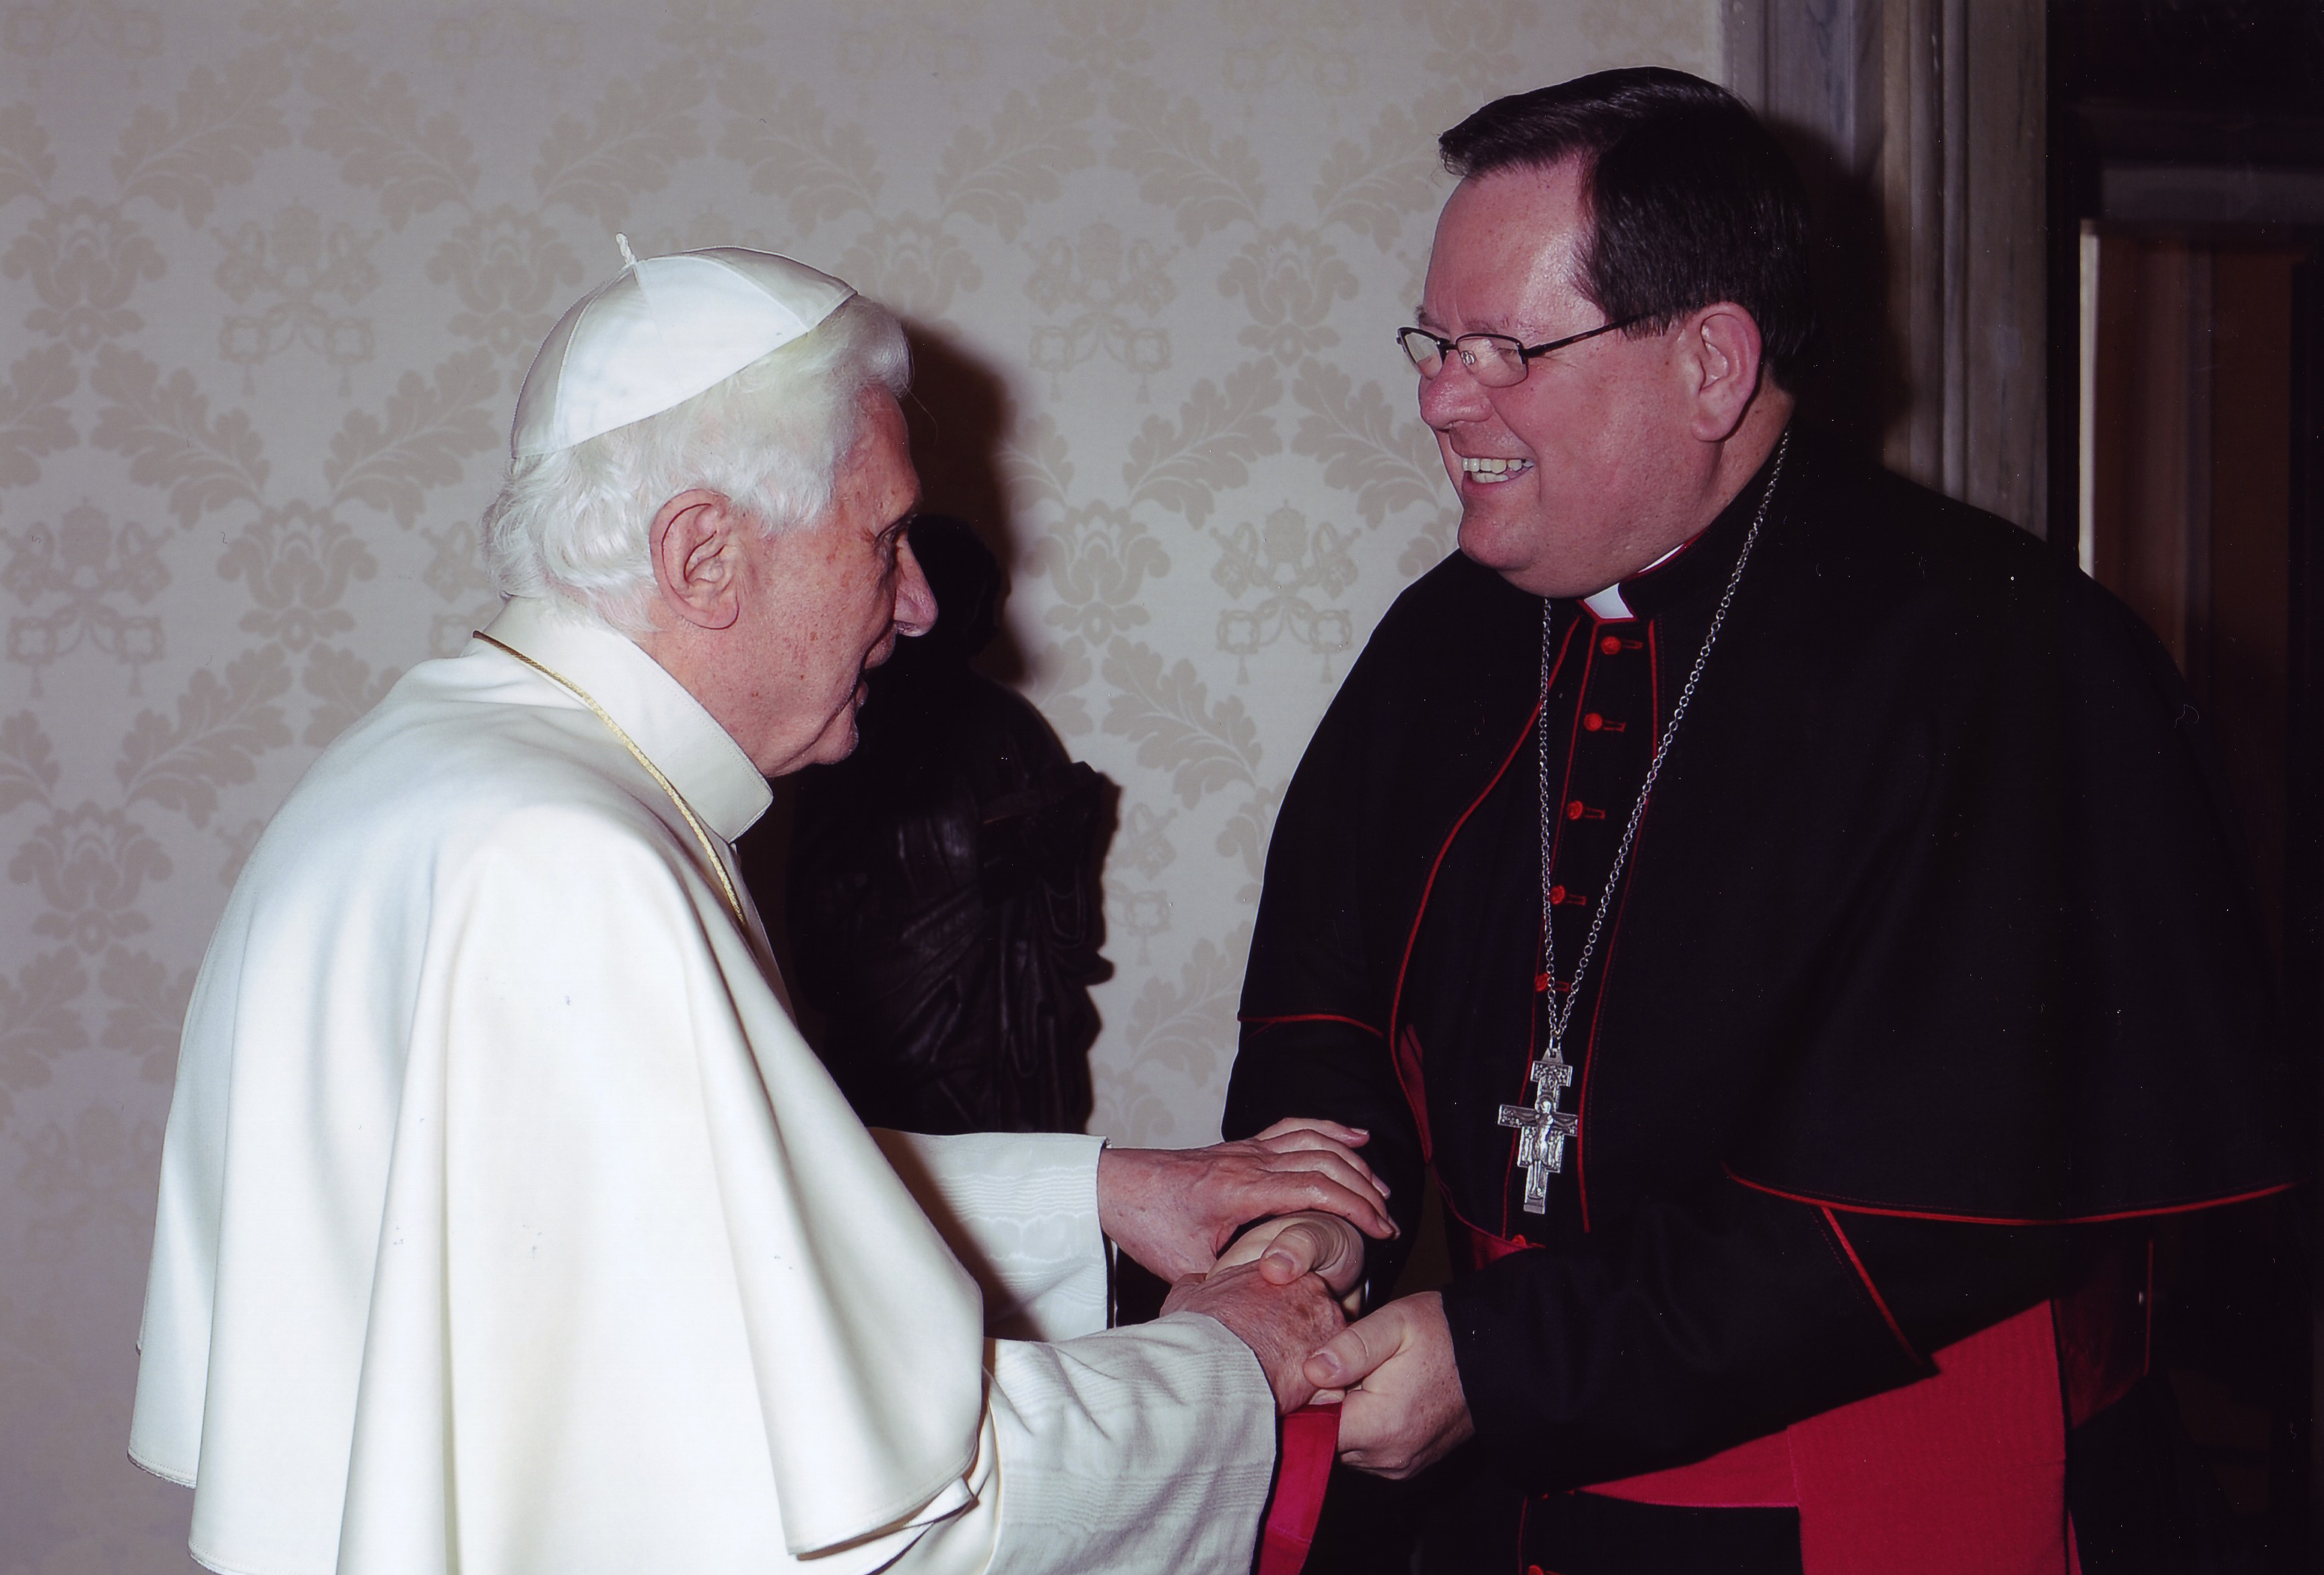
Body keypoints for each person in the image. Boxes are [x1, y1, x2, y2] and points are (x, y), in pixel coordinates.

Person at [129, 246, 1391, 1575]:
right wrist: (1225, 1361)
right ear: (704, 555)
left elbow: (671, 1219)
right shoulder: (575, 861)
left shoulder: (437, 764)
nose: (919, 603)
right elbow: (905, 1523)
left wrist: (1101, 1191)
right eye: (884, 538)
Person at [1222, 69, 2294, 1574]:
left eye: (1504, 349)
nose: (1441, 398)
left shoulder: (2001, 654)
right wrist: (1306, 1223)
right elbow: (1326, 1007)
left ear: (1712, 364)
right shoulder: (1443, 642)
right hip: (1506, 1491)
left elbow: (1913, 1209)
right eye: (1436, 343)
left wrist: (1505, 1358)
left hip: (1868, 1487)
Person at [776, 513, 1111, 1135]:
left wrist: (1050, 849)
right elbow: (815, 920)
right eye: (981, 597)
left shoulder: (1009, 724)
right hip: (893, 1043)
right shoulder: (851, 734)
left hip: (1004, 1036)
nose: (991, 620)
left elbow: (1064, 928)